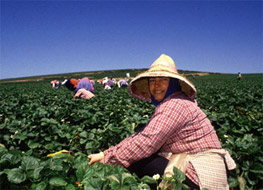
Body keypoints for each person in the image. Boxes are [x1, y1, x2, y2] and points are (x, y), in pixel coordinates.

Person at [88, 54, 236, 190]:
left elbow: (145, 142)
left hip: (203, 177)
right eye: (152, 80)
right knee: (139, 149)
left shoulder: (175, 105)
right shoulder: (174, 101)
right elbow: (142, 136)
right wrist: (104, 153)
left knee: (138, 160)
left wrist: (107, 161)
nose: (156, 85)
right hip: (197, 167)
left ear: (174, 83)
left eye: (163, 80)